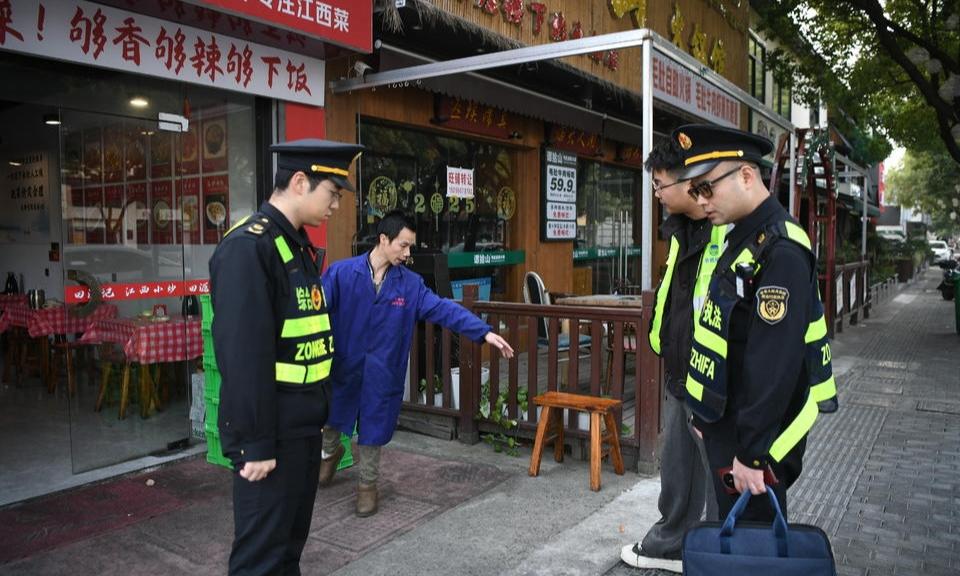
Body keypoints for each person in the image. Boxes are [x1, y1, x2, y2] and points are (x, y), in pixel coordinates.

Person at [209, 138, 363, 575]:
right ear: (299, 182)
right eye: (332, 193)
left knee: (287, 552)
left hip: (301, 430)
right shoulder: (249, 248)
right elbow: (244, 357)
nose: (336, 205)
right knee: (260, 559)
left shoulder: (294, 246)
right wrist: (255, 444)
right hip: (270, 439)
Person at [674, 124, 837, 522]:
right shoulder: (743, 238)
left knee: (751, 541)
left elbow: (773, 364)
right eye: (694, 191)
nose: (701, 200)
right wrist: (704, 416)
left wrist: (751, 454)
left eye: (707, 187)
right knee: (735, 535)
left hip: (751, 445)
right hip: (726, 426)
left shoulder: (781, 250)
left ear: (746, 175)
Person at [318, 210, 515, 517]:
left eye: (411, 246)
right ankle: (329, 453)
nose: (408, 253)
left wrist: (484, 332)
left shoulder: (410, 285)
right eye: (404, 245)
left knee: (372, 429)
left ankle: (367, 485)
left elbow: (444, 309)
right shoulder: (341, 274)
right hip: (345, 366)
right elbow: (313, 309)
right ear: (384, 239)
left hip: (383, 371)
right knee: (332, 418)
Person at [619, 140, 722, 573]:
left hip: (715, 378)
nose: (657, 193)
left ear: (688, 181)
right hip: (680, 370)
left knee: (718, 476)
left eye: (660, 184)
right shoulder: (680, 230)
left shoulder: (727, 230)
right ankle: (673, 544)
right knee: (678, 468)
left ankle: (714, 553)